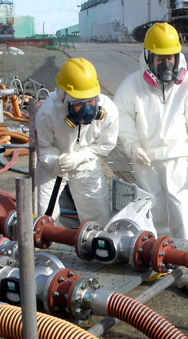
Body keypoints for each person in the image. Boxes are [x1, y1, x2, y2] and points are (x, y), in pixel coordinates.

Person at [114, 22, 188, 298]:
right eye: (160, 58)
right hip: (146, 160)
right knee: (152, 212)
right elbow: (123, 118)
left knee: (183, 215)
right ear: (148, 57)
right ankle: (159, 262)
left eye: (170, 58)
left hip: (179, 160)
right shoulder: (133, 85)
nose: (166, 65)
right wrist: (132, 146)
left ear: (177, 57)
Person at [36, 57, 119, 226]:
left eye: (90, 101)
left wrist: (81, 157)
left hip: (86, 166)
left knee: (99, 217)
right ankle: (47, 250)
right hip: (53, 169)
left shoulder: (108, 110)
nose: (88, 109)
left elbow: (106, 144)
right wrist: (55, 162)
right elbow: (44, 148)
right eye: (79, 103)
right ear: (64, 98)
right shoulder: (47, 114)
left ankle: (95, 249)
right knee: (43, 217)